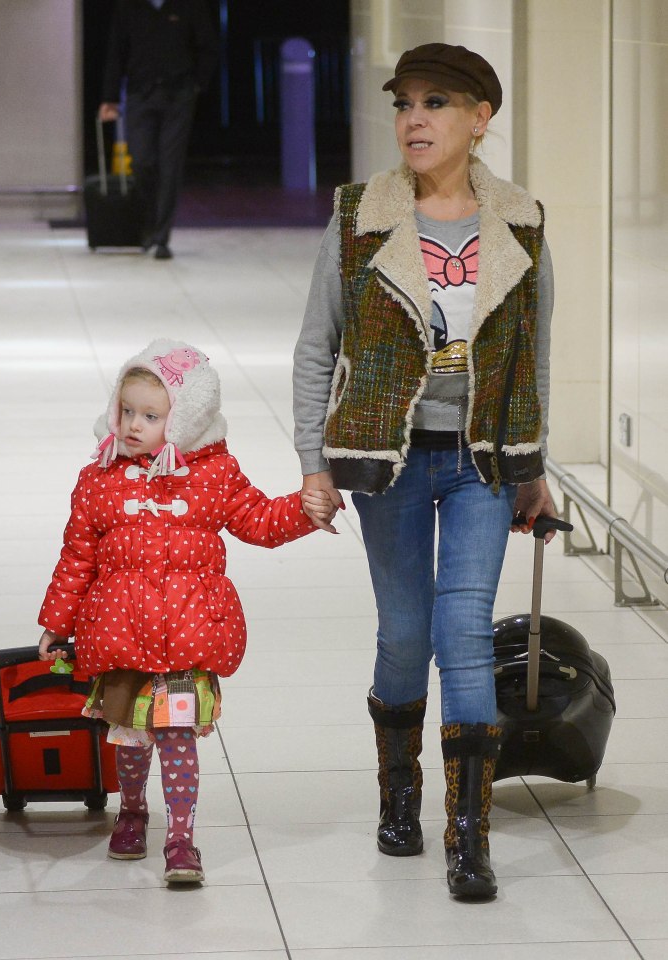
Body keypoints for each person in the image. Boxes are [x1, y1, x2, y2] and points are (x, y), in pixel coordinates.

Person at [292, 43, 557, 900]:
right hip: (386, 459)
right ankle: (398, 795)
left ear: (480, 120)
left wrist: (533, 467)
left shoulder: (520, 221)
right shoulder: (358, 215)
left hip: (481, 459)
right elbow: (314, 349)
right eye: (404, 101)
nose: (414, 117)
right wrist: (311, 465)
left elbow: (532, 359)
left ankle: (467, 834)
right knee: (403, 632)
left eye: (436, 102)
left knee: (464, 631)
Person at [38, 337, 334, 884]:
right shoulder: (99, 480)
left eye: (150, 415)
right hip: (120, 637)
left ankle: (181, 837)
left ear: (186, 420)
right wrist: (56, 624)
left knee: (176, 742)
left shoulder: (214, 475)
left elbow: (259, 521)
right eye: (126, 411)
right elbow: (77, 555)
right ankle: (131, 811)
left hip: (186, 638)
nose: (132, 425)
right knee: (129, 741)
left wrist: (305, 509)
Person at [98, 0, 218, 260]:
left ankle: (161, 237)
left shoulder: (190, 6)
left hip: (178, 96)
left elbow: (208, 46)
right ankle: (149, 225)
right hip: (140, 95)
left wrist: (197, 85)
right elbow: (116, 51)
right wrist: (110, 97)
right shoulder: (129, 7)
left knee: (170, 165)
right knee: (141, 161)